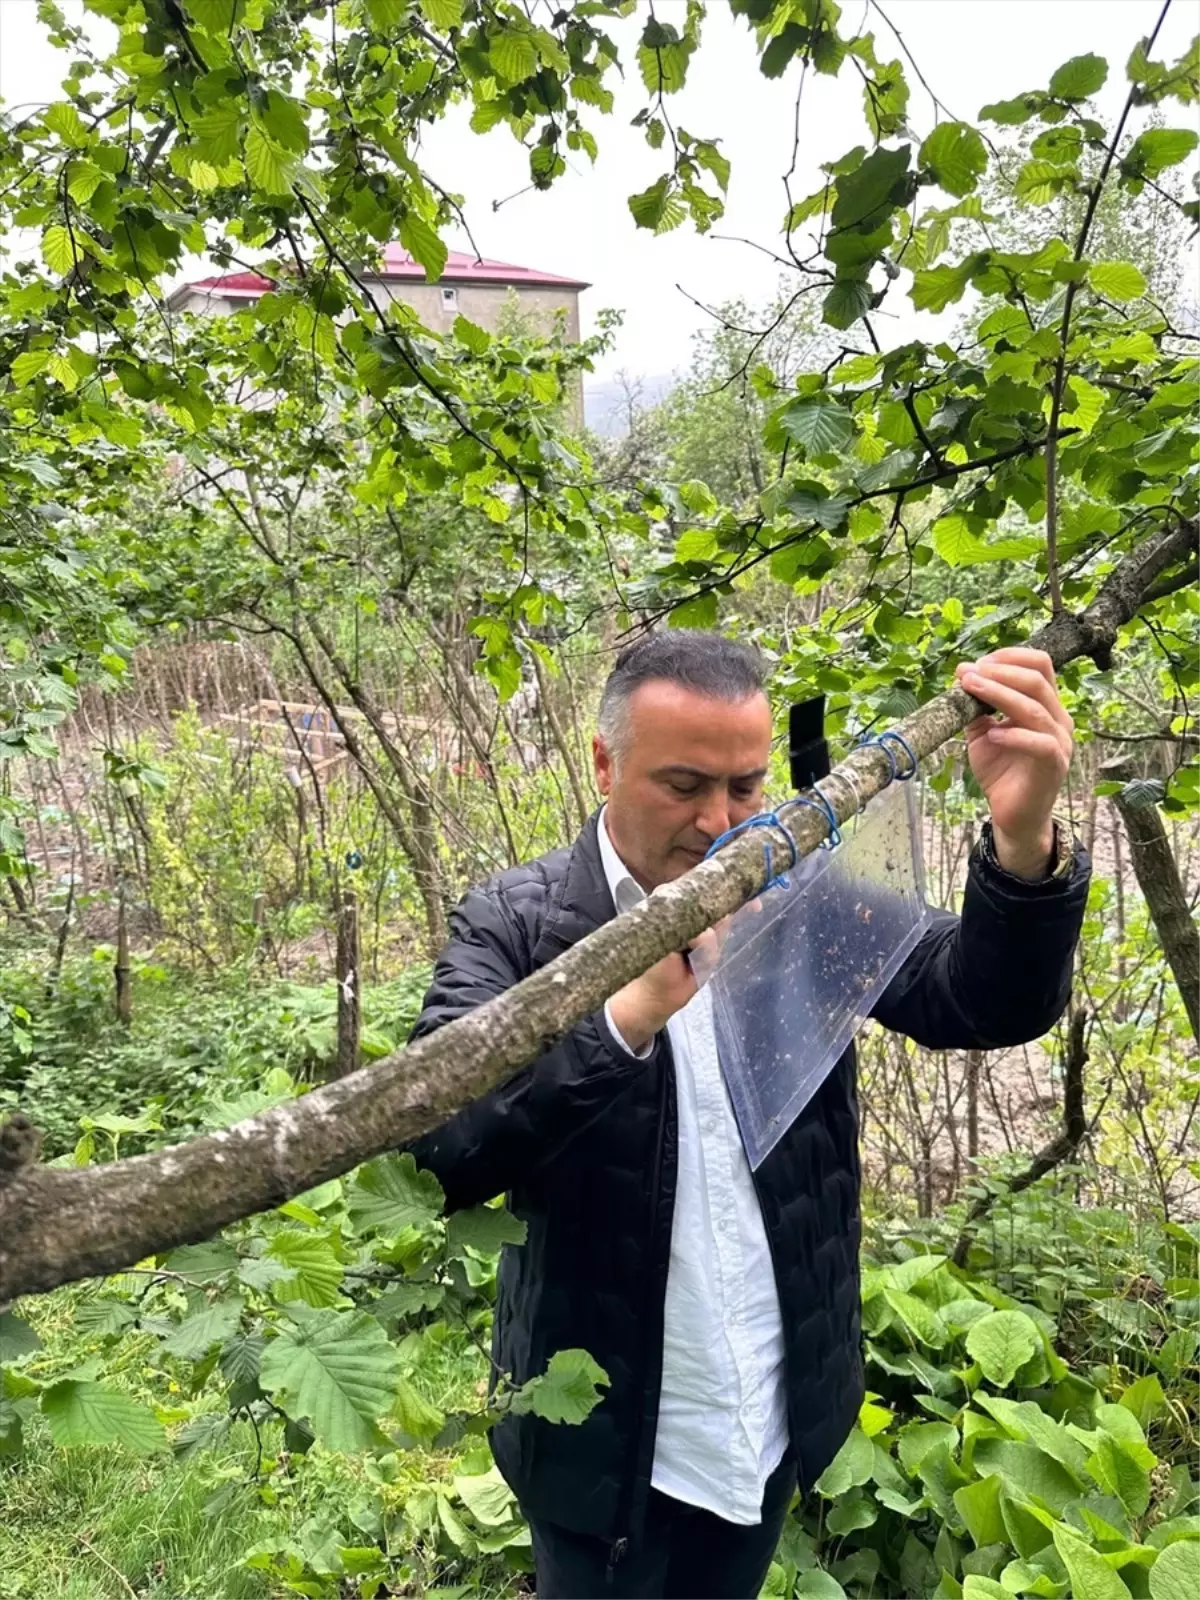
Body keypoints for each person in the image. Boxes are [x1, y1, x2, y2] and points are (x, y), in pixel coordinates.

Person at [406, 630, 1089, 1599]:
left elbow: (978, 998)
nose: (718, 821)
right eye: (682, 785)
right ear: (604, 761)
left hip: (766, 1423)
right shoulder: (517, 926)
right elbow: (441, 1146)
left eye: (745, 786)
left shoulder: (795, 894)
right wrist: (625, 1014)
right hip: (603, 1452)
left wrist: (1023, 845)